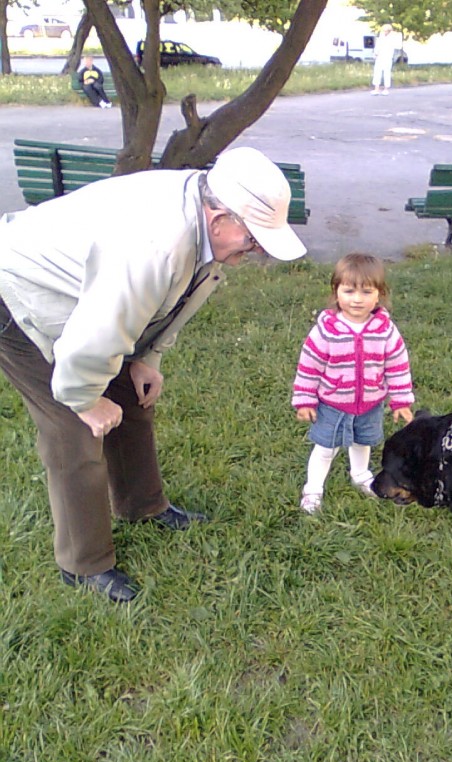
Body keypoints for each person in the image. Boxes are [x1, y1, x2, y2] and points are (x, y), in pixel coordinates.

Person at [0, 147, 306, 602]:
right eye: (254, 238)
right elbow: (98, 331)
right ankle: (82, 565)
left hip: (92, 299)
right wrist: (84, 399)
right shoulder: (155, 244)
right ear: (220, 216)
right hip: (17, 290)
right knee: (72, 427)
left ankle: (142, 506)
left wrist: (150, 356)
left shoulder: (204, 221)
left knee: (131, 395)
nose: (256, 249)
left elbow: (184, 292)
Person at [292, 253, 414, 514]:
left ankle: (360, 475)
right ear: (336, 293)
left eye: (366, 292)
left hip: (370, 403)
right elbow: (309, 366)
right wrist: (304, 400)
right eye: (348, 291)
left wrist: (401, 400)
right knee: (326, 448)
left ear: (379, 294)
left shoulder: (385, 330)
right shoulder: (326, 331)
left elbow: (397, 364)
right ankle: (313, 489)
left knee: (363, 442)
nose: (357, 299)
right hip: (333, 404)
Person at [371, 24, 397, 96]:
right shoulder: (381, 37)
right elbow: (378, 47)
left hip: (387, 58)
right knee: (377, 72)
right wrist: (375, 54)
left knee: (386, 73)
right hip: (380, 57)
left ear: (389, 31)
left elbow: (390, 49)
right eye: (384, 30)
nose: (385, 32)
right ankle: (376, 89)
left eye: (386, 31)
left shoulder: (392, 38)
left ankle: (386, 89)